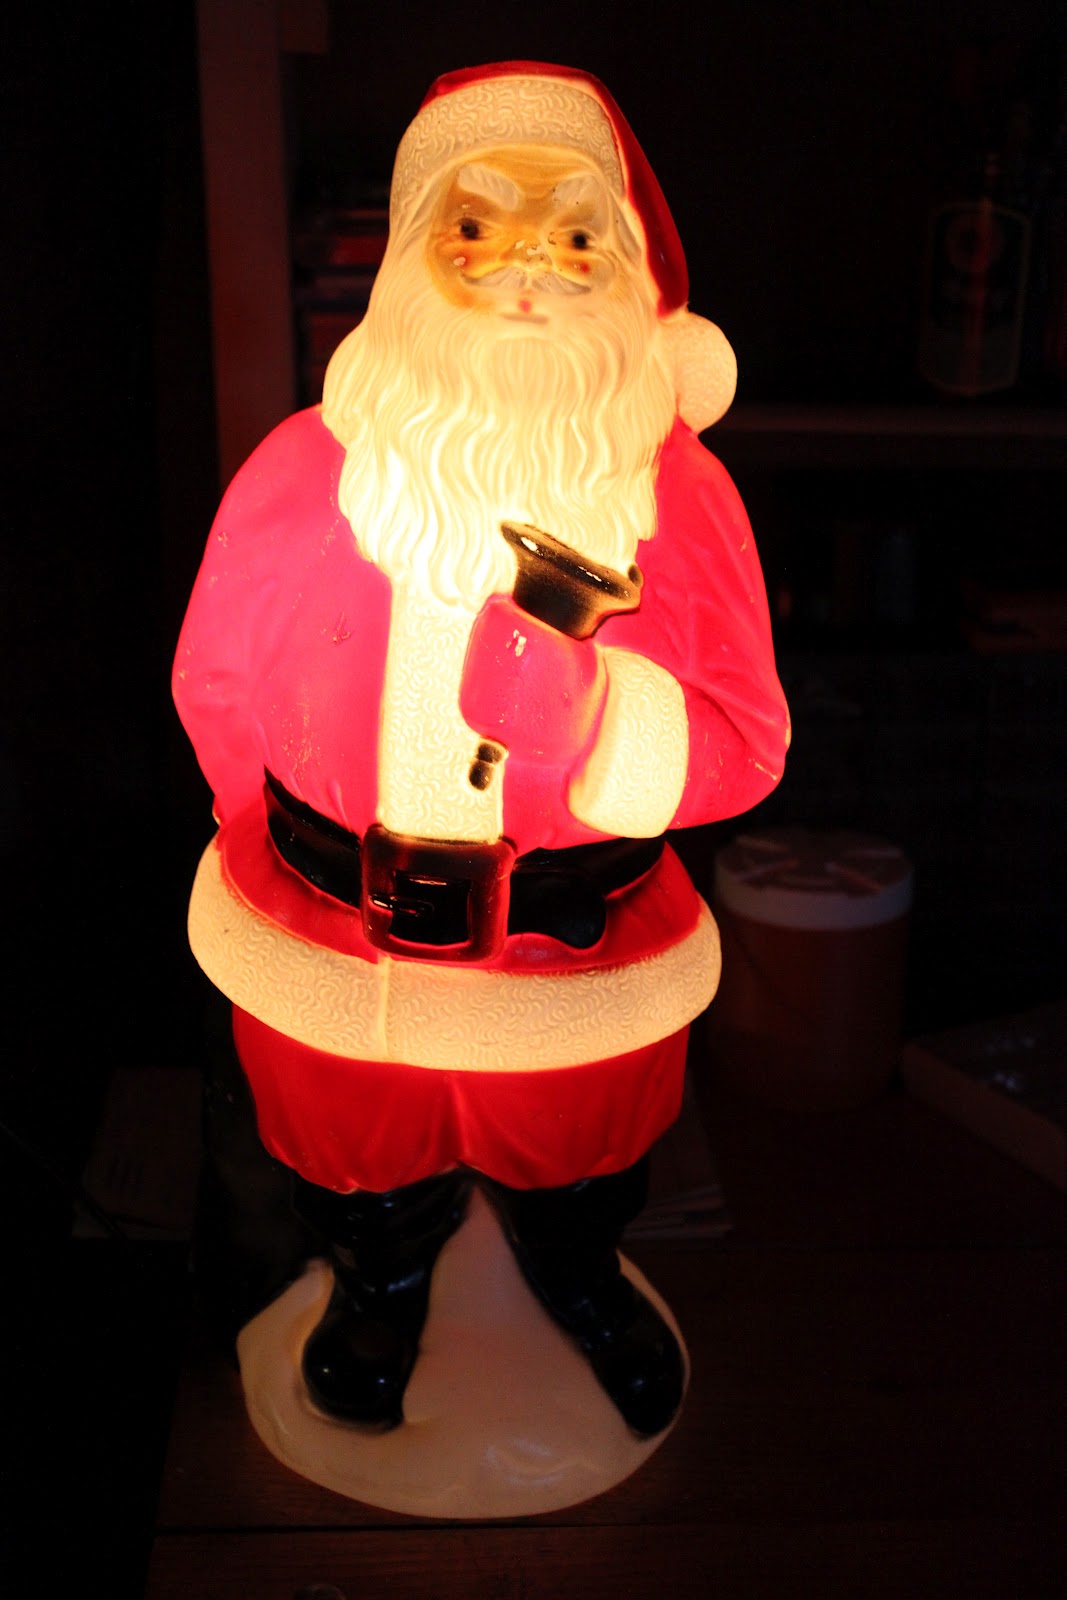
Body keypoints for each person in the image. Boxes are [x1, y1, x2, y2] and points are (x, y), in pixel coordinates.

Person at [174, 61, 789, 1440]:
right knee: (357, 1151)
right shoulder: (300, 471)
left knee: (579, 1154)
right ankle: (377, 1284)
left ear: (623, 269)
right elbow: (215, 674)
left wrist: (599, 722)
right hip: (333, 932)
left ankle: (580, 1274)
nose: (521, 271)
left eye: (570, 237)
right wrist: (260, 833)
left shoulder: (679, 499)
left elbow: (747, 741)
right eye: (475, 227)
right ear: (409, 256)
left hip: (573, 949)